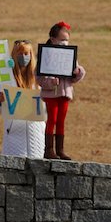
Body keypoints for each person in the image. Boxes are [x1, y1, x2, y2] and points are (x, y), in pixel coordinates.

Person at [38, 21, 85, 160]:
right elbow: (39, 79)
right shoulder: (45, 56)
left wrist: (78, 72)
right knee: (51, 119)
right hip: (51, 94)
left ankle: (60, 149)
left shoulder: (69, 55)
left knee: (61, 121)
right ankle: (49, 149)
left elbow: (74, 77)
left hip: (65, 94)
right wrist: (50, 83)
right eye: (62, 40)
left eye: (67, 40)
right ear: (53, 39)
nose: (65, 43)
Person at [0, 40, 45, 158]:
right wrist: (1, 101)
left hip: (35, 132)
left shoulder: (38, 79)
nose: (23, 57)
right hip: (14, 133)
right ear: (14, 55)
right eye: (20, 54)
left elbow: (45, 106)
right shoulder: (7, 78)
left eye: (26, 54)